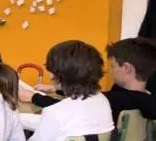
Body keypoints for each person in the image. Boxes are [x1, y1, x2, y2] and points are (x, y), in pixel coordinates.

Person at [21, 37, 156, 123]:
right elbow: (87, 97)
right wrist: (56, 89)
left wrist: (35, 98)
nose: (110, 70)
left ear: (126, 68)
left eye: (113, 66)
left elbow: (75, 107)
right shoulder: (144, 97)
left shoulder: (120, 99)